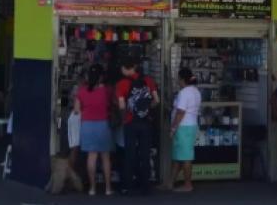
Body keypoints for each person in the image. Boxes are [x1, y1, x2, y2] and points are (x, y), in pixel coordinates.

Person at [115, 57, 160, 195]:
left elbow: (122, 105)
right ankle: (145, 186)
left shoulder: (122, 84)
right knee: (145, 154)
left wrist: (124, 119)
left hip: (130, 123)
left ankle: (128, 186)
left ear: (125, 68)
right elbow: (156, 101)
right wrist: (146, 110)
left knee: (130, 154)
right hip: (146, 123)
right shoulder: (149, 81)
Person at [73, 64, 114, 196]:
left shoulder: (81, 91)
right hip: (103, 125)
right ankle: (108, 188)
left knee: (91, 157)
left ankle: (92, 188)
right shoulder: (107, 90)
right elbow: (114, 104)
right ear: (101, 76)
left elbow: (76, 110)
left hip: (87, 126)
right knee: (105, 158)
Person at [164, 67, 201, 192]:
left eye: (178, 79)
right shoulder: (196, 91)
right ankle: (170, 182)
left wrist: (173, 128)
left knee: (185, 157)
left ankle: (187, 184)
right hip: (191, 126)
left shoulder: (184, 93)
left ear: (182, 79)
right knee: (178, 156)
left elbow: (180, 112)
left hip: (183, 127)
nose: (177, 81)